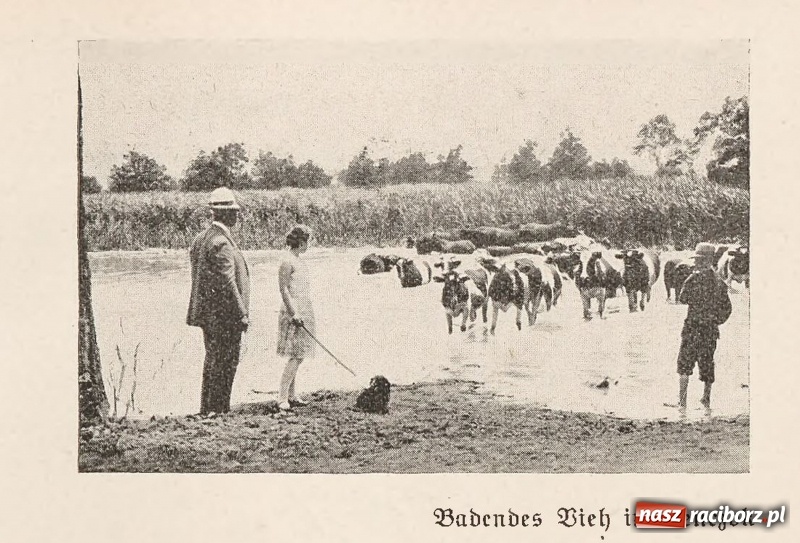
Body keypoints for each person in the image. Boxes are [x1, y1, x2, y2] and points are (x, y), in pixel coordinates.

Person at [186, 187, 250, 415]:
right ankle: (219, 408)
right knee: (226, 361)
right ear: (224, 213)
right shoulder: (221, 241)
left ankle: (208, 408)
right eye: (233, 211)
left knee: (213, 359)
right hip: (225, 314)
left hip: (207, 313)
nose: (237, 215)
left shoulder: (200, 238)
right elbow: (228, 281)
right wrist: (242, 313)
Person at [674, 242, 732, 409]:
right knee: (707, 362)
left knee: (684, 364)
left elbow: (682, 298)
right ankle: (706, 399)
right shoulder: (720, 282)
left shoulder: (692, 279)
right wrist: (715, 321)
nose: (696, 263)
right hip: (710, 330)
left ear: (701, 261)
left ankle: (682, 402)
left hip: (692, 328)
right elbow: (727, 309)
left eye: (697, 260)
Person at [276, 225, 316, 411]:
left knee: (299, 354)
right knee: (296, 355)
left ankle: (292, 395)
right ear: (301, 243)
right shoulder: (287, 261)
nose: (309, 245)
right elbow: (284, 289)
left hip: (304, 309)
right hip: (293, 311)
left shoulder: (298, 260)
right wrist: (294, 313)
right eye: (308, 242)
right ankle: (282, 397)